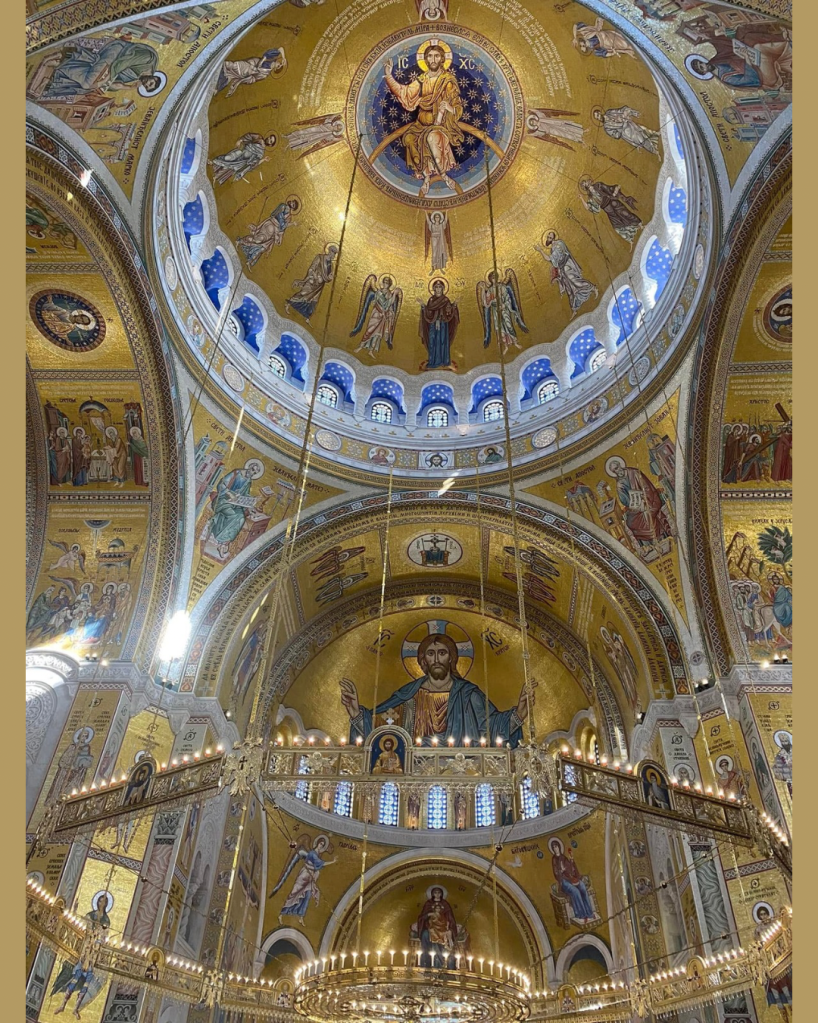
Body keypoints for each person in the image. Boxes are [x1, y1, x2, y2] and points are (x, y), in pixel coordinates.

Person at [340, 632, 536, 746]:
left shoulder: (467, 693)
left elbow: (491, 726)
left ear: (451, 658)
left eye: (442, 653)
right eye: (430, 654)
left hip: (462, 770)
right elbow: (381, 727)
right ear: (423, 660)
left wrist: (518, 713)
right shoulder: (408, 695)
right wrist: (357, 713)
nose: (436, 659)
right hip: (415, 772)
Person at [384, 43, 463, 197]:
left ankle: (445, 176)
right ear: (426, 59)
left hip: (440, 125)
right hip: (420, 125)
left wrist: (449, 108)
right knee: (409, 138)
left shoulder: (447, 81)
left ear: (442, 59)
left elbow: (457, 107)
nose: (433, 59)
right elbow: (404, 93)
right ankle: (426, 177)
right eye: (430, 56)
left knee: (431, 138)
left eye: (437, 56)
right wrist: (389, 76)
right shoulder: (422, 80)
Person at [41, 38, 161, 99]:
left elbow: (115, 82)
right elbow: (123, 63)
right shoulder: (148, 59)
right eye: (150, 83)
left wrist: (128, 87)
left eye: (146, 87)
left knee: (87, 89)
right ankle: (61, 59)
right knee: (89, 84)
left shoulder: (136, 76)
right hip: (116, 52)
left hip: (112, 65)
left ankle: (59, 63)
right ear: (155, 78)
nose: (146, 84)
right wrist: (105, 80)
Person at [270, 835, 336, 926]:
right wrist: (332, 862)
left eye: (323, 845)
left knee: (307, 895)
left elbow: (318, 866)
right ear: (317, 843)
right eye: (321, 843)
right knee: (294, 893)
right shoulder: (312, 853)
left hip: (310, 877)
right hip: (304, 875)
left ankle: (301, 917)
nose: (321, 846)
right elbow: (321, 863)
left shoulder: (317, 855)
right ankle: (281, 914)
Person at [534, 231, 597, 316]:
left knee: (573, 280)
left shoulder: (559, 244)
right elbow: (554, 261)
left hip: (567, 265)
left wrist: (540, 250)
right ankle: (574, 309)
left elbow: (549, 258)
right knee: (569, 289)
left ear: (553, 238)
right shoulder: (552, 248)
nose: (548, 238)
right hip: (562, 269)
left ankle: (593, 288)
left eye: (550, 237)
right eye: (548, 237)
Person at [237, 198, 300, 268]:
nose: (291, 203)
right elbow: (275, 215)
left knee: (262, 247)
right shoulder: (282, 206)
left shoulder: (289, 216)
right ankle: (240, 241)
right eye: (292, 202)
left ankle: (249, 260)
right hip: (271, 224)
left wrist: (292, 224)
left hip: (274, 231)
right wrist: (285, 223)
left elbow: (283, 227)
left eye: (293, 205)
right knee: (257, 240)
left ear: (293, 208)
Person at [579, 178, 642, 246]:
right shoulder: (591, 197)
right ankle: (630, 240)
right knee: (617, 226)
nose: (589, 187)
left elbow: (608, 188)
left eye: (588, 184)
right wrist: (582, 199)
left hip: (613, 202)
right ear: (586, 189)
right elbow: (589, 207)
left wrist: (614, 191)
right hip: (608, 211)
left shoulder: (598, 185)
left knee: (626, 213)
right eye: (587, 187)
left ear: (589, 183)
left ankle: (640, 224)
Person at [351, 275, 403, 356]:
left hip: (383, 317)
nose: (385, 284)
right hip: (376, 314)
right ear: (382, 283)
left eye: (387, 283)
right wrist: (394, 295)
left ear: (390, 285)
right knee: (369, 331)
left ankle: (371, 351)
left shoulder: (389, 294)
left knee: (378, 334)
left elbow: (389, 307)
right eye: (384, 282)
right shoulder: (379, 292)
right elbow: (385, 304)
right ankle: (360, 346)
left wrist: (390, 313)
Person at [287, 244, 338, 322]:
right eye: (333, 253)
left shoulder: (331, 265)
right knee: (303, 293)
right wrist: (314, 276)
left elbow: (328, 277)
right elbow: (312, 267)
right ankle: (288, 305)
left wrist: (330, 278)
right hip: (313, 280)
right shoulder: (320, 257)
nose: (333, 255)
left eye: (334, 254)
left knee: (314, 300)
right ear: (329, 251)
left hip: (320, 285)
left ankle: (307, 317)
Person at [418, 279, 460, 370]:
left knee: (443, 341)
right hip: (433, 325)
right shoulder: (431, 300)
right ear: (433, 289)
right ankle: (433, 361)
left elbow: (449, 311)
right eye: (436, 287)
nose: (438, 289)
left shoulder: (445, 300)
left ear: (443, 289)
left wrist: (454, 305)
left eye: (440, 287)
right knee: (433, 341)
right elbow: (429, 312)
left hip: (443, 325)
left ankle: (444, 361)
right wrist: (423, 306)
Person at [550, 839, 595, 922]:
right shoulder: (554, 859)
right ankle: (582, 915)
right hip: (563, 882)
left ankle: (589, 913)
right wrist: (561, 870)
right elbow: (556, 873)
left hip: (571, 879)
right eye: (554, 847)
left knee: (582, 886)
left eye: (556, 846)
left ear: (559, 847)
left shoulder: (564, 857)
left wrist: (571, 860)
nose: (555, 848)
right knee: (575, 891)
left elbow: (571, 869)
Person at [209, 132, 277, 185]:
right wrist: (240, 140)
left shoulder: (261, 153)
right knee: (228, 158)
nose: (268, 139)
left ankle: (215, 177)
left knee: (230, 167)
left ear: (270, 145)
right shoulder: (259, 137)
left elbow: (255, 163)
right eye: (270, 138)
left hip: (243, 161)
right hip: (241, 152)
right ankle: (213, 162)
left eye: (270, 141)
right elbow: (249, 135)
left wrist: (263, 160)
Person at [416, 887, 459, 964]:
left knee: (444, 936)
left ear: (441, 894)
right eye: (435, 893)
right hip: (431, 927)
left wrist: (450, 928)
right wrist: (429, 914)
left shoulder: (445, 904)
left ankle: (440, 962)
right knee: (425, 934)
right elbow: (422, 917)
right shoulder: (428, 903)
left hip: (443, 927)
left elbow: (450, 918)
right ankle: (426, 962)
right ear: (432, 894)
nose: (437, 894)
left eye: (439, 893)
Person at [592, 106, 660, 155]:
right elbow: (616, 136)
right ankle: (654, 151)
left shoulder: (609, 112)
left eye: (597, 115)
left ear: (600, 112)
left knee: (644, 132)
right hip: (627, 133)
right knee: (641, 140)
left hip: (630, 125)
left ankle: (655, 143)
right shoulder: (607, 127)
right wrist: (620, 126)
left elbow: (619, 111)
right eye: (596, 118)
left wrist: (627, 113)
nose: (598, 118)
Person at [216, 50, 287, 97]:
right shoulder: (271, 57)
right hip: (249, 64)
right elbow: (280, 49)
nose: (279, 64)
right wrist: (283, 57)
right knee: (232, 65)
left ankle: (218, 80)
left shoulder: (264, 74)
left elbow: (253, 79)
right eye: (280, 63)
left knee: (231, 70)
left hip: (247, 72)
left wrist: (242, 81)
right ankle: (217, 67)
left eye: (279, 66)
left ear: (275, 69)